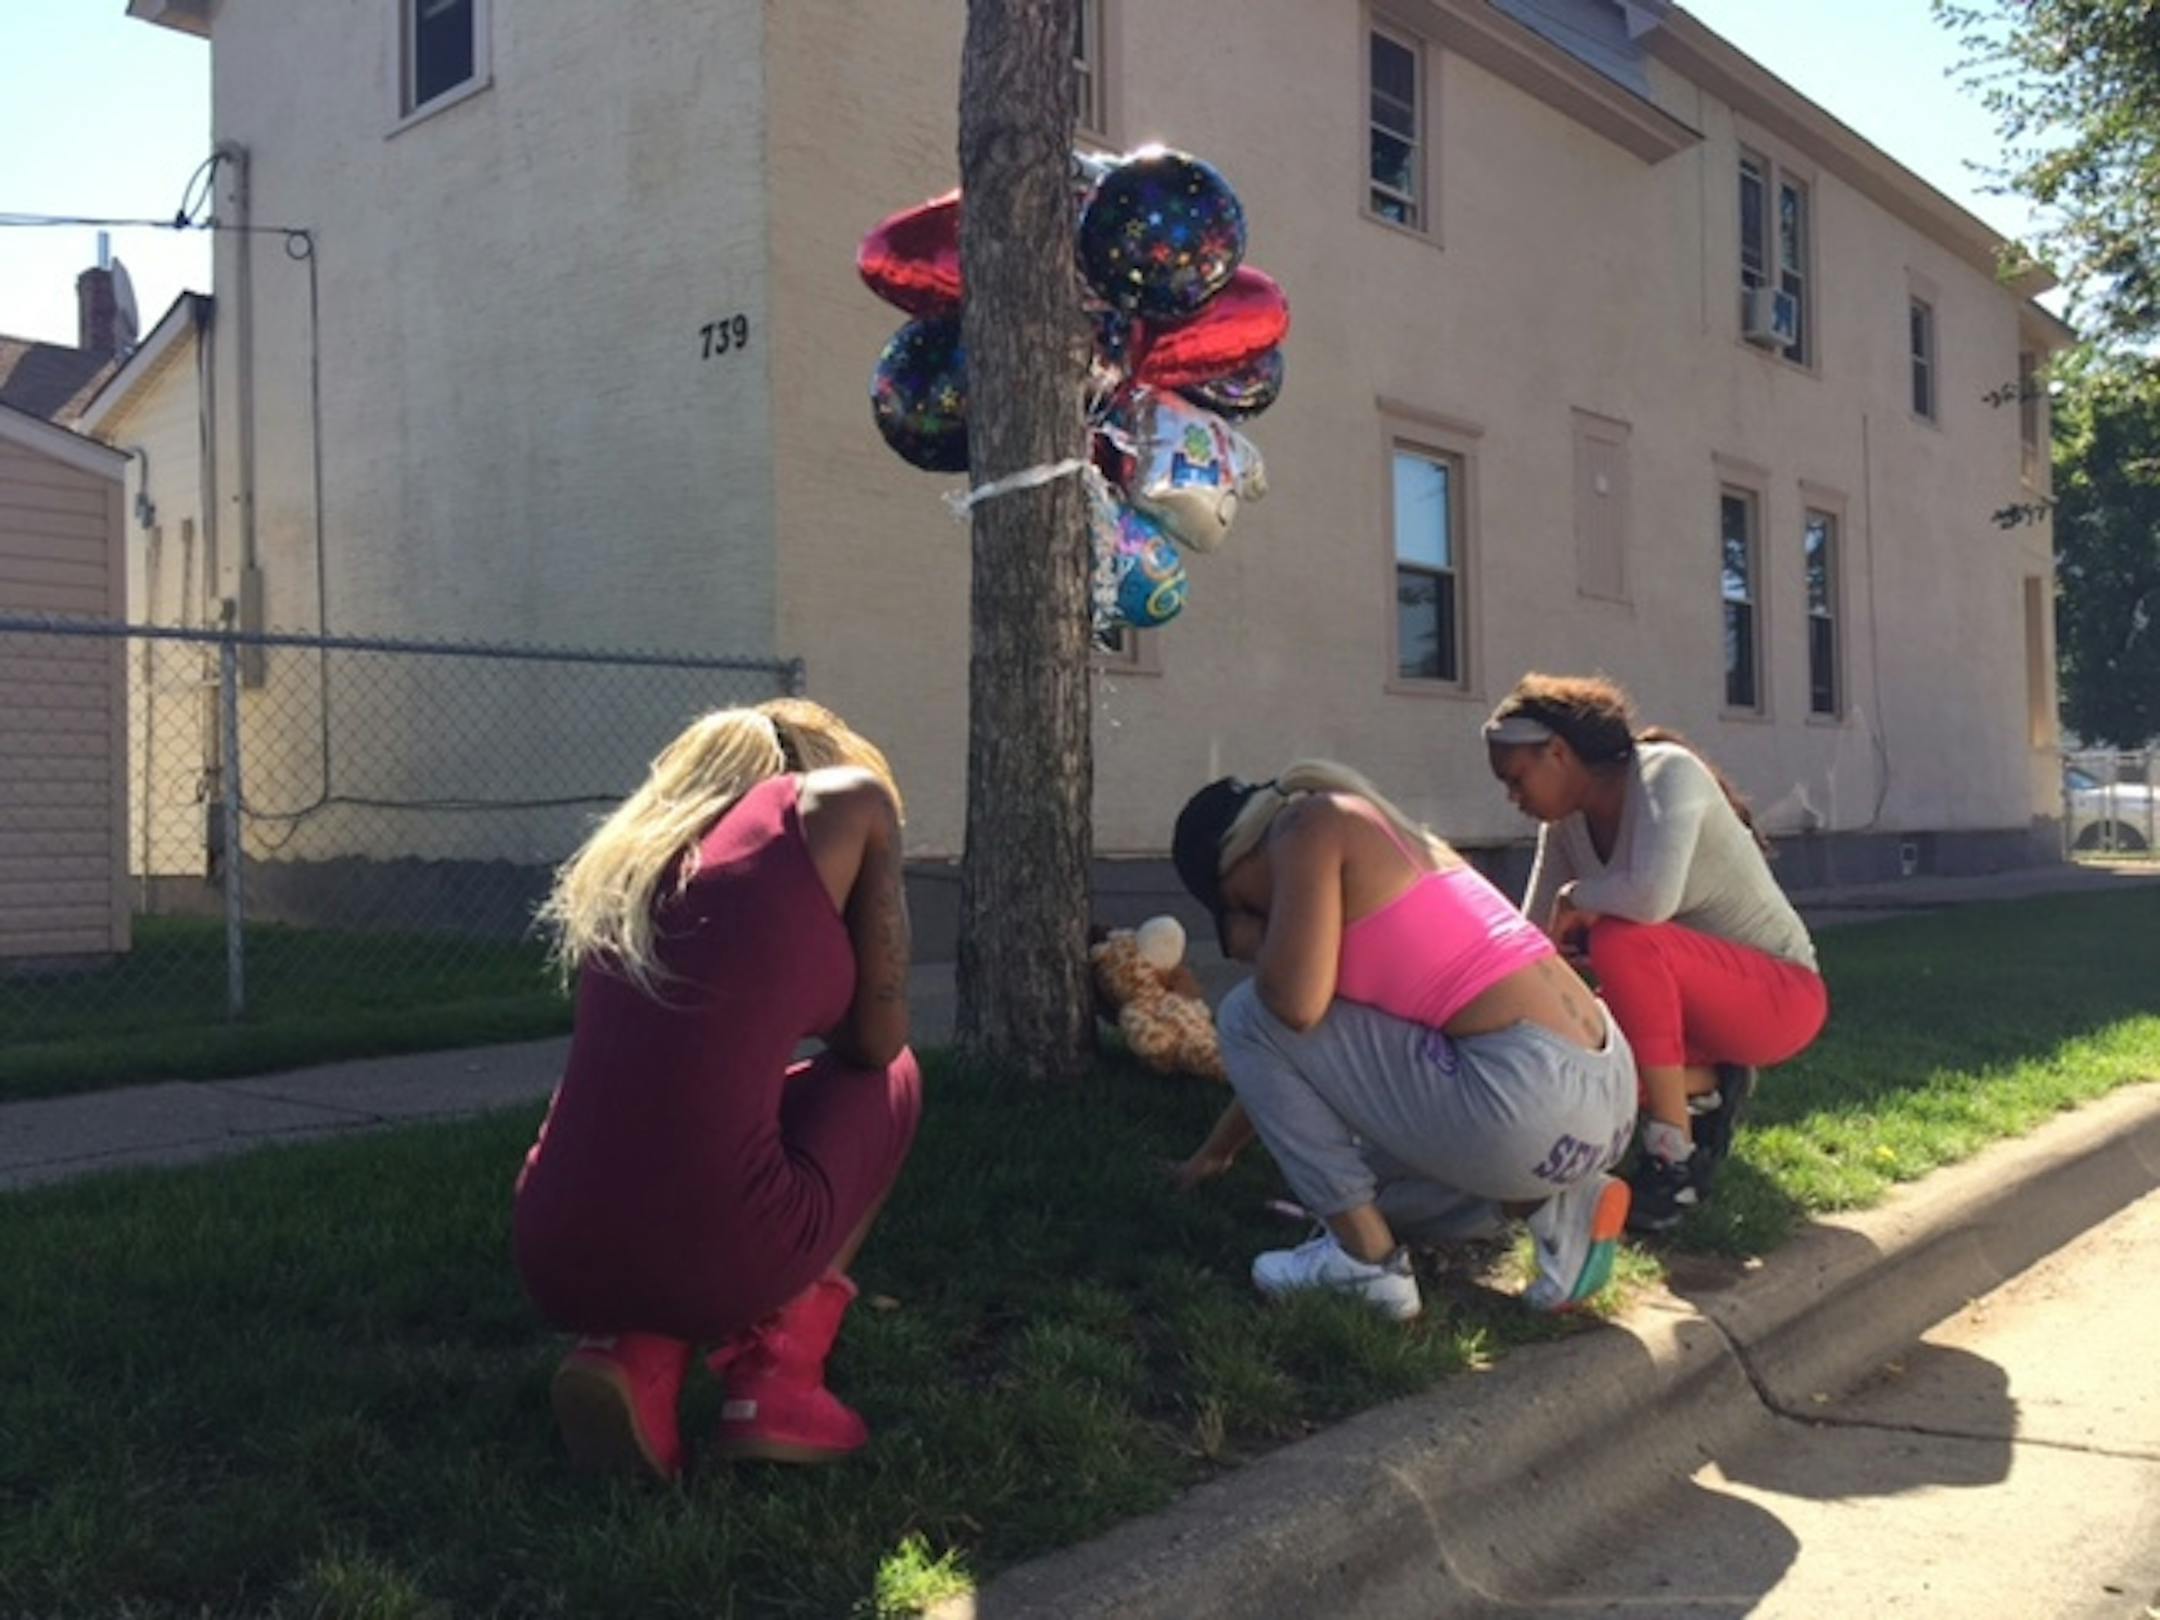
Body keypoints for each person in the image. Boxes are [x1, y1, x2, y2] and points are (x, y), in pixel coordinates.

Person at [513, 698, 919, 1480]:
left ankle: (634, 1355)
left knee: (684, 1100)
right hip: (718, 1244)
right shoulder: (848, 802)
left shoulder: (642, 862)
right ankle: (777, 1377)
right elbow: (877, 1038)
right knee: (889, 1080)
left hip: (552, 1243)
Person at [1168, 762, 1640, 1320]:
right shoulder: (1397, 846)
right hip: (1606, 1088)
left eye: (1236, 909)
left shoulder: (1306, 826)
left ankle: (1366, 1264)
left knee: (1248, 1009)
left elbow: (1283, 1013)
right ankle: (1559, 1205)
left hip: (1528, 1097)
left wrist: (1254, 938)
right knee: (1376, 1192)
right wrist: (1215, 1153)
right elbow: (1297, 1056)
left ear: (1233, 870)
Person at [1483, 673, 1828, 1232]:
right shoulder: (1564, 825)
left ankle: (1674, 1159)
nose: (1513, 798)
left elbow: (1649, 899)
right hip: (1680, 1017)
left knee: (1623, 935)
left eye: (1517, 779)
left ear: (1559, 753)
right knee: (1582, 1067)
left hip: (1780, 999)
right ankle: (1709, 1082)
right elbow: (1535, 944)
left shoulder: (1666, 773)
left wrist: (1579, 898)